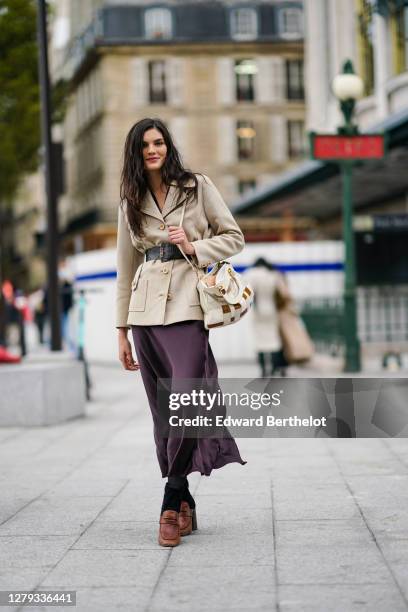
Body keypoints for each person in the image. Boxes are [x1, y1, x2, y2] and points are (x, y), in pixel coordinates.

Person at [116, 117, 247, 548]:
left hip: (189, 304)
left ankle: (170, 502)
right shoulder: (130, 200)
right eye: (144, 146)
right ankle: (185, 495)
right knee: (164, 411)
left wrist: (193, 246)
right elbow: (125, 269)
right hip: (145, 312)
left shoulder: (197, 186)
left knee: (189, 397)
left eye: (159, 143)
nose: (153, 150)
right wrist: (121, 330)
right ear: (135, 153)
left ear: (168, 147)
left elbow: (233, 236)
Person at [244, 257, 291, 377]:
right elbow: (285, 293)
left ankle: (264, 368)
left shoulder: (250, 274)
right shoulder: (274, 274)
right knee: (274, 339)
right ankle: (276, 366)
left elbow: (244, 292)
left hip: (258, 310)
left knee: (260, 340)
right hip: (272, 310)